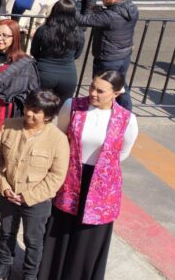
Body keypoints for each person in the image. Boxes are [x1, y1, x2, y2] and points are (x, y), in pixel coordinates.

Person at [38, 71, 138, 280]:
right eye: (92, 87)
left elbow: (123, 153)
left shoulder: (127, 119)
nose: (93, 93)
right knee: (61, 230)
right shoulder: (72, 106)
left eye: (100, 91)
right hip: (71, 176)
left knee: (88, 238)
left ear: (116, 94)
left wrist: (101, 169)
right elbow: (61, 138)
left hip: (101, 186)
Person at [0, 90, 69, 280]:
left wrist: (28, 196)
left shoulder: (58, 140)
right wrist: (3, 185)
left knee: (33, 240)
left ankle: (30, 275)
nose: (29, 113)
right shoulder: (9, 125)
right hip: (8, 193)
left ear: (47, 117)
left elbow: (56, 176)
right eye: (29, 107)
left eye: (36, 111)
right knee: (6, 233)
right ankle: (3, 267)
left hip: (36, 201)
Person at [67, 0, 139, 111]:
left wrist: (69, 1)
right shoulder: (131, 8)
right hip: (123, 56)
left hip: (108, 58)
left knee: (101, 87)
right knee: (120, 86)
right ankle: (126, 112)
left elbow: (82, 20)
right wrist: (100, 10)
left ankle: (101, 111)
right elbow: (109, 15)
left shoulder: (109, 16)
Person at [0, 19, 40, 126]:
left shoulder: (25, 63)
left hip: (6, 114)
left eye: (5, 35)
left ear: (14, 38)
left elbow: (32, 93)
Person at [32, 0, 85, 102]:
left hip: (44, 72)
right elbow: (77, 55)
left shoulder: (43, 30)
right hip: (68, 75)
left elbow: (34, 51)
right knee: (63, 109)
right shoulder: (79, 32)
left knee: (38, 105)